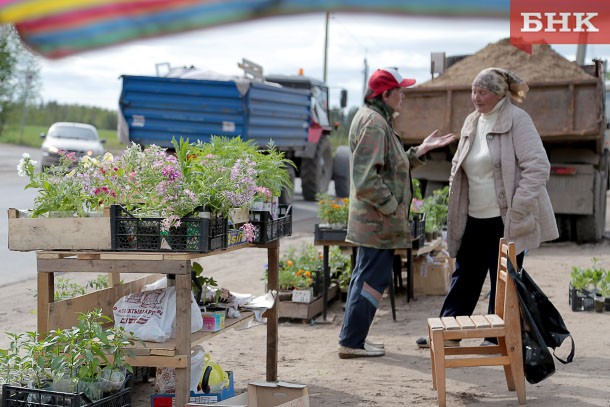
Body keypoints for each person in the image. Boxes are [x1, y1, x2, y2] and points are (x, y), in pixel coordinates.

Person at [416, 67, 559, 348]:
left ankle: (495, 337)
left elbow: (538, 167)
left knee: (502, 280)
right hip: (475, 215)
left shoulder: (518, 120)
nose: (475, 97)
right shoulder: (473, 121)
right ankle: (449, 331)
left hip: (506, 218)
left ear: (497, 94)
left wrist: (519, 208)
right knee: (465, 275)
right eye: (473, 91)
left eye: (481, 92)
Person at [338, 67, 456, 359]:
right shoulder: (375, 124)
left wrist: (418, 152)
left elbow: (390, 167)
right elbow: (367, 180)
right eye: (399, 91)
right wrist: (393, 209)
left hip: (375, 223)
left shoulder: (374, 118)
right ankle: (352, 342)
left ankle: (353, 338)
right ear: (385, 94)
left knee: (364, 277)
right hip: (377, 223)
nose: (403, 96)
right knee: (370, 281)